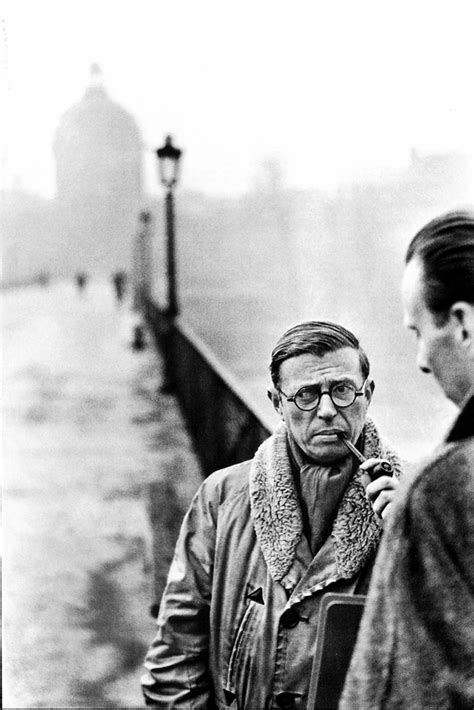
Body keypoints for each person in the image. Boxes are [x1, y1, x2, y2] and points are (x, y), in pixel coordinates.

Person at [142, 321, 403, 708]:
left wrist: (412, 538)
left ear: (369, 394)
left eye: (343, 390)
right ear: (277, 403)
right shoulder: (222, 497)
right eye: (306, 396)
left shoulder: (416, 503)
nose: (328, 410)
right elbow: (176, 659)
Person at [340, 209, 474, 709]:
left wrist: (422, 519)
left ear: (461, 324)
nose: (420, 360)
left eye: (419, 331)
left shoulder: (443, 488)